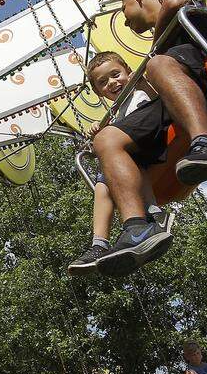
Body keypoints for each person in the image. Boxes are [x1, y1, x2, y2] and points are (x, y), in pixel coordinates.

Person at [93, 0, 207, 275]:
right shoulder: (163, 55)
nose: (125, 20)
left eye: (124, 10)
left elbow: (175, 1)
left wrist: (156, 49)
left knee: (157, 65)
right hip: (179, 89)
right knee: (107, 140)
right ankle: (137, 227)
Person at [68, 52, 172, 275]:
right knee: (102, 183)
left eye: (116, 75)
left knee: (118, 155)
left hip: (155, 133)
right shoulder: (117, 113)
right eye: (103, 83)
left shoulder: (139, 90)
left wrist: (142, 81)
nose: (112, 83)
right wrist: (100, 127)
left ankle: (151, 214)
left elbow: (160, 97)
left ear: (127, 71)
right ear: (98, 92)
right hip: (135, 149)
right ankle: (99, 244)